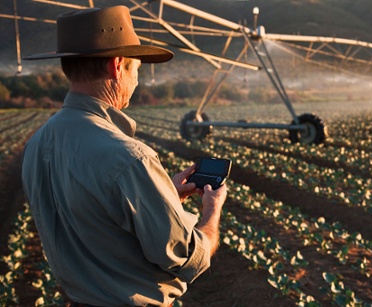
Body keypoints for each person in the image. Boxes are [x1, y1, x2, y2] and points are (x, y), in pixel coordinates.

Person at [21, 5, 227, 307]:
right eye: (137, 70)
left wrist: (161, 195)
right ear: (117, 66)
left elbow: (96, 218)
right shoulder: (130, 158)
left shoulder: (37, 144)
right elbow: (185, 257)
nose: (137, 81)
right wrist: (212, 212)